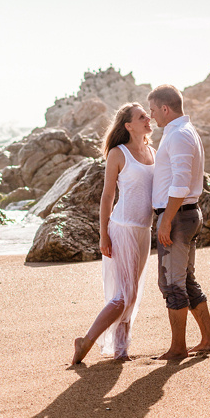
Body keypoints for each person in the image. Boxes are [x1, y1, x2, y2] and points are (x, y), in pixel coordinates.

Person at [72, 103, 155, 364]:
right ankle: (85, 341)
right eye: (142, 117)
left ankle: (121, 350)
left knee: (133, 293)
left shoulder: (153, 152)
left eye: (147, 115)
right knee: (124, 295)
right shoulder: (118, 154)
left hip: (145, 229)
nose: (147, 118)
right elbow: (107, 196)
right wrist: (103, 235)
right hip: (122, 228)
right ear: (129, 126)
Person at [147, 84, 210, 359]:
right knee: (186, 280)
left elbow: (179, 182)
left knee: (171, 283)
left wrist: (165, 220)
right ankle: (209, 340)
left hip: (178, 216)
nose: (152, 116)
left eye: (153, 110)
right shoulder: (183, 131)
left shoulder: (178, 135)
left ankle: (178, 348)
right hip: (185, 214)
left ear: (165, 108)